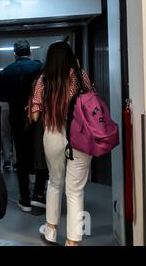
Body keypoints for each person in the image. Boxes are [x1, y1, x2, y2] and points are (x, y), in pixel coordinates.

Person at [30, 41, 93, 246]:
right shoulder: (81, 76)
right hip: (80, 134)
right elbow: (91, 102)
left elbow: (35, 116)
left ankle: (50, 231)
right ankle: (72, 242)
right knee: (75, 189)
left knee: (55, 182)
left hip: (53, 133)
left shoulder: (43, 80)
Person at [0, 40, 49, 213]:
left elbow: (2, 97)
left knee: (21, 157)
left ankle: (25, 199)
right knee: (40, 154)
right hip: (38, 118)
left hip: (17, 119)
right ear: (30, 52)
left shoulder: (5, 72)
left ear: (14, 54)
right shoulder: (40, 67)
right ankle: (38, 195)